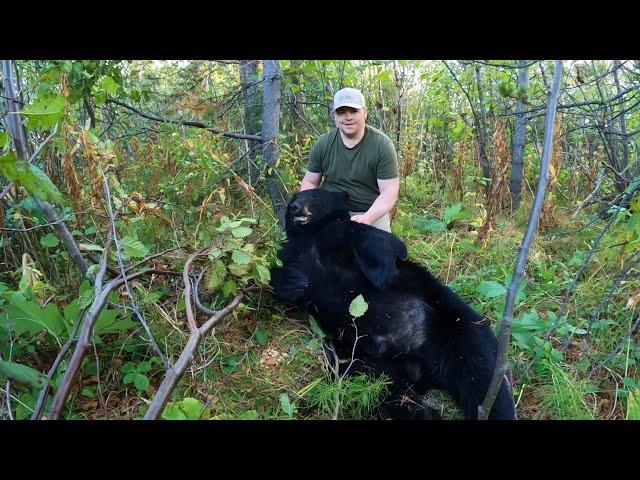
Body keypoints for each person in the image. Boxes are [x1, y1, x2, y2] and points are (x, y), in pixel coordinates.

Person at [299, 87, 399, 233]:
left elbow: (389, 191)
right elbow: (310, 181)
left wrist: (367, 218)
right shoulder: (323, 143)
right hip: (329, 211)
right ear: (335, 116)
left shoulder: (382, 145)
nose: (348, 117)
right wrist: (309, 207)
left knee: (379, 252)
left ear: (365, 112)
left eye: (353, 111)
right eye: (342, 112)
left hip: (369, 212)